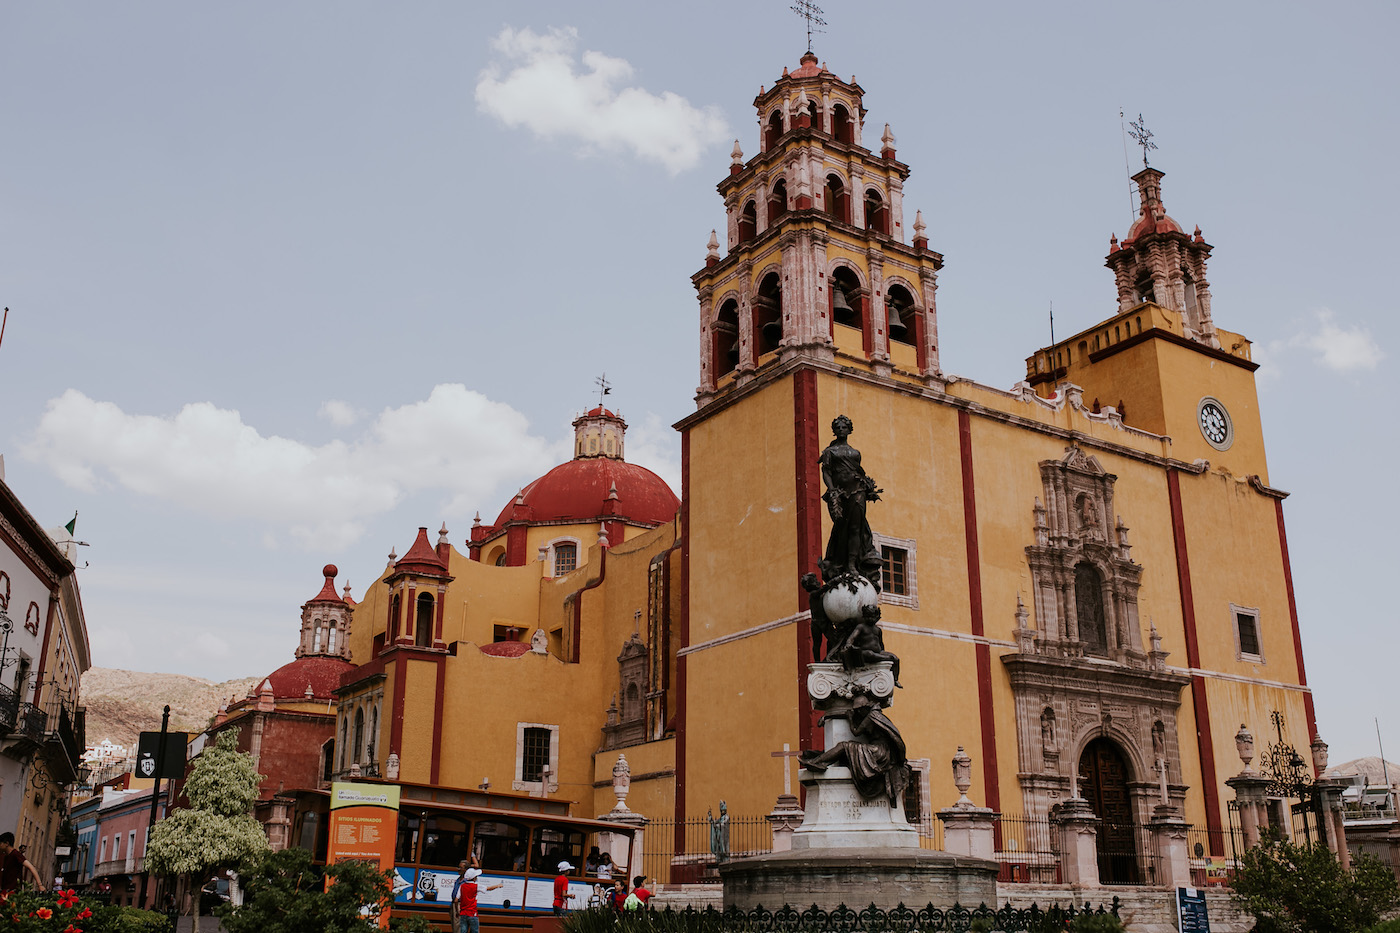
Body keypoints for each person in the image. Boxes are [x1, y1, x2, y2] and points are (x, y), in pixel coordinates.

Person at [819, 415, 883, 582]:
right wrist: (832, 490)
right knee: (841, 528)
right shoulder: (829, 452)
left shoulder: (856, 453)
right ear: (834, 431)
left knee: (856, 527)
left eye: (844, 427)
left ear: (849, 430)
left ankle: (852, 564)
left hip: (857, 490)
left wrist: (868, 487)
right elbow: (826, 472)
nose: (841, 429)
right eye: (838, 427)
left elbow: (858, 471)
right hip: (839, 493)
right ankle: (839, 563)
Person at [455, 868, 502, 933]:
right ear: (474, 878)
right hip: (472, 913)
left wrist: (457, 911)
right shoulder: (476, 886)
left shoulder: (462, 886)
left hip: (463, 913)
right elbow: (489, 888)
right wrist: (498, 885)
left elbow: (456, 900)